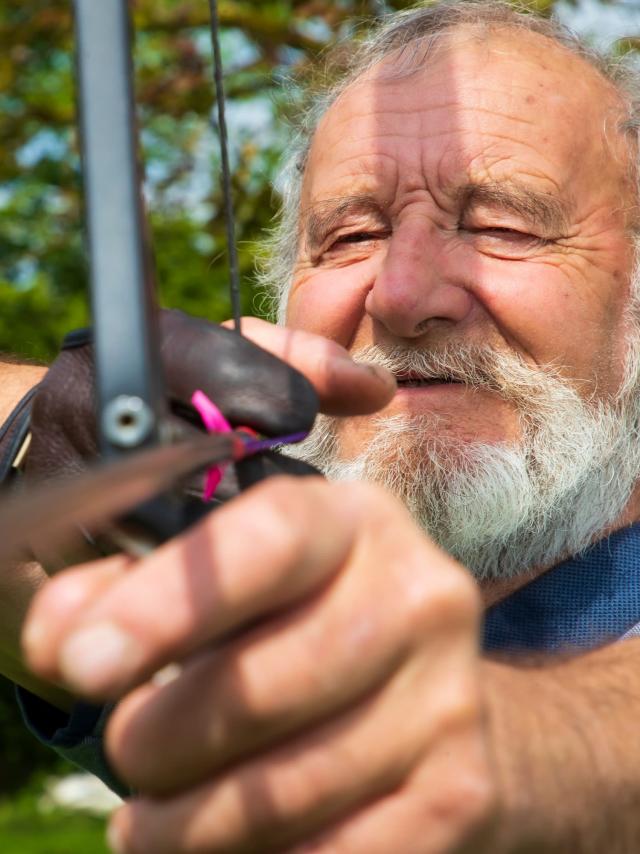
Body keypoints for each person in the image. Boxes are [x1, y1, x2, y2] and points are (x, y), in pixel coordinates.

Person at [6, 1, 640, 851]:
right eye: (350, 236)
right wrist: (39, 435)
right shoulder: (236, 602)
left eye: (502, 225)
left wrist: (540, 748)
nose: (403, 296)